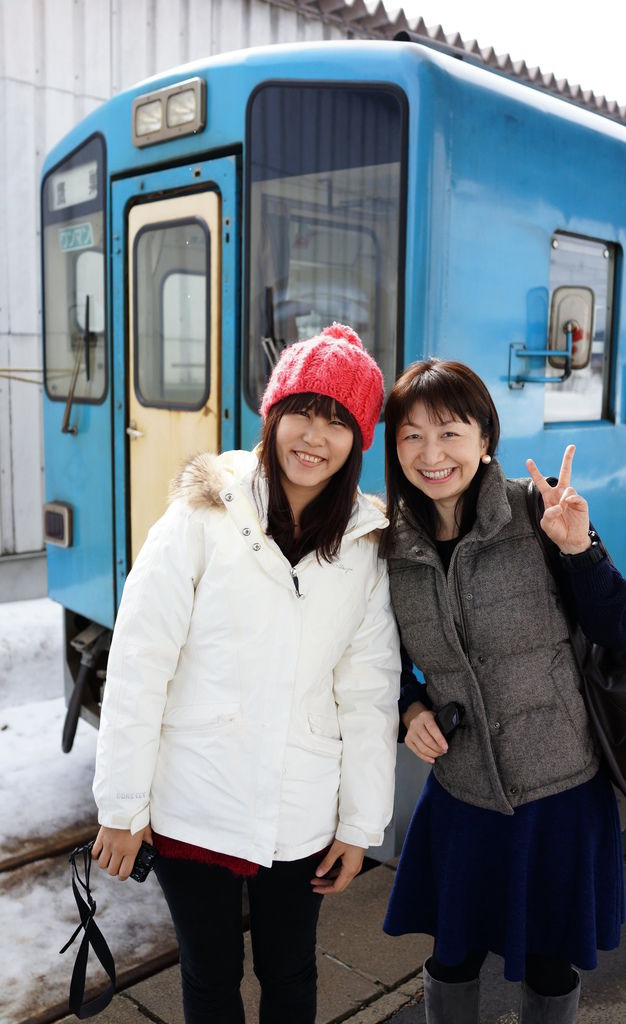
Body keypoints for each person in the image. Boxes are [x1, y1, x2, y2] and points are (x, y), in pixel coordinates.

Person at [91, 323, 401, 1024]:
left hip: (301, 808)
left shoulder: (363, 543)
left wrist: (359, 824)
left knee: (290, 971)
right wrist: (122, 806)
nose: (314, 438)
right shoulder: (202, 514)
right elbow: (140, 660)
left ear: (358, 439)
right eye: (302, 413)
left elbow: (368, 691)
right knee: (209, 975)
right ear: (272, 414)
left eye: (337, 422)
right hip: (195, 795)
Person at [380, 359, 626, 1024]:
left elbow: (617, 629)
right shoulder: (388, 548)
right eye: (412, 436)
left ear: (484, 438)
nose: (432, 455)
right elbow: (380, 663)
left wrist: (580, 550)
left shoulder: (536, 511)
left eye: (449, 433)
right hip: (462, 791)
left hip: (559, 789)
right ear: (394, 449)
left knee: (550, 961)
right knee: (451, 957)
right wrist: (408, 708)